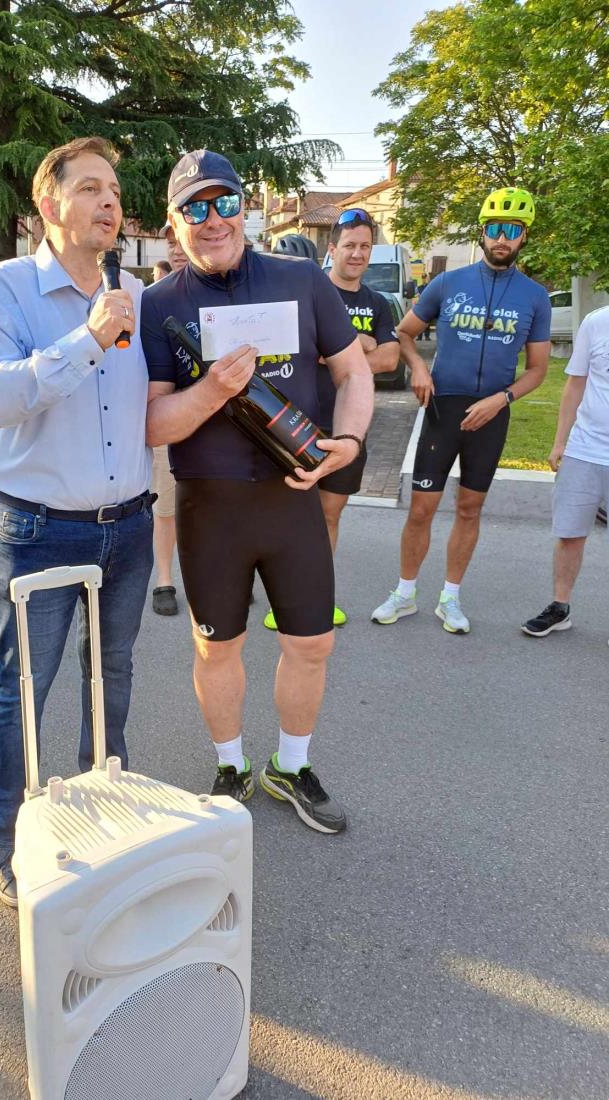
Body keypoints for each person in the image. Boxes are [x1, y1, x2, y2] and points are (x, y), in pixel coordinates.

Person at [141, 149, 373, 833]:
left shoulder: (300, 279)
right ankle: (230, 764)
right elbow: (153, 423)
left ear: (244, 209)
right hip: (210, 506)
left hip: (290, 495)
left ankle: (291, 766)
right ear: (173, 222)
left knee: (311, 644)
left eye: (224, 202)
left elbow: (353, 374)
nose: (212, 219)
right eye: (194, 208)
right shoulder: (159, 304)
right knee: (216, 648)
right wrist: (211, 390)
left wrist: (349, 440)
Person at [0, 136, 154, 907]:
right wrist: (87, 338)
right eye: (90, 188)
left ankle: (101, 814)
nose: (109, 201)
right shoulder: (2, 289)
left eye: (114, 190)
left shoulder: (135, 291)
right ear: (49, 205)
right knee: (23, 691)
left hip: (128, 529)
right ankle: (12, 842)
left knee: (112, 679)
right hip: (39, 531)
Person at [371, 186, 551, 634]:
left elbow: (538, 371)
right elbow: (404, 333)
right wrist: (418, 368)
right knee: (421, 508)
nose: (502, 238)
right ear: (482, 232)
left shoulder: (535, 297)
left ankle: (450, 598)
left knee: (470, 508)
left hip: (492, 412)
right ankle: (405, 593)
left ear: (524, 236)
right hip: (442, 408)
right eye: (495, 228)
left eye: (512, 230)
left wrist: (501, 399)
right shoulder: (449, 283)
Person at [264, 216, 399, 631]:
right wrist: (362, 343)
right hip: (296, 424)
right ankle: (282, 599)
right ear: (333, 249)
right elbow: (302, 350)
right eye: (349, 245)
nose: (357, 254)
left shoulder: (377, 303)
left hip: (346, 429)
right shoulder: (310, 291)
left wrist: (344, 351)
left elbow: (390, 358)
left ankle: (317, 597)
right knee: (286, 516)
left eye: (365, 246)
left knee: (329, 517)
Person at [522, 304, 609, 640]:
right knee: (570, 533)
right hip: (585, 448)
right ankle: (560, 608)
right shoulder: (596, 322)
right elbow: (575, 384)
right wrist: (560, 442)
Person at [149, 225, 188, 616]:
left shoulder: (218, 293)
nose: (176, 249)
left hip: (217, 419)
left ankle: (226, 575)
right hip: (167, 417)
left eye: (181, 241)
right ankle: (164, 580)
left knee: (217, 506)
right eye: (170, 242)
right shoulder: (153, 299)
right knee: (165, 505)